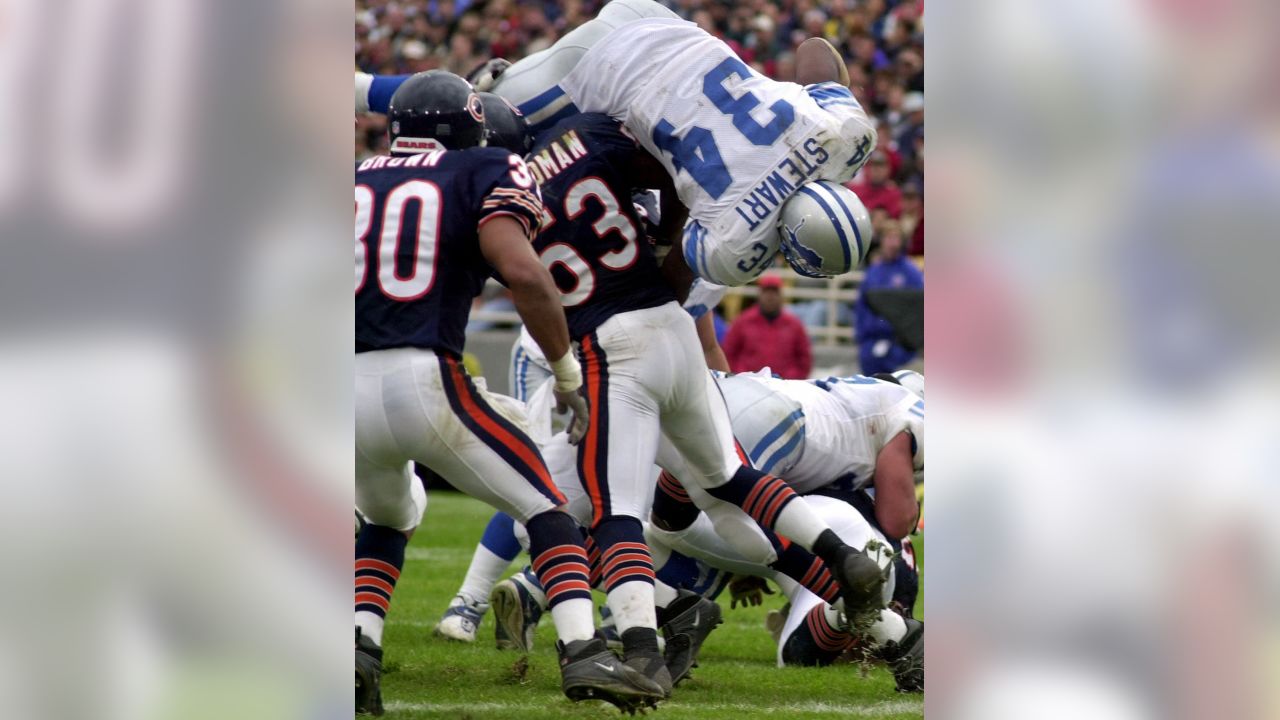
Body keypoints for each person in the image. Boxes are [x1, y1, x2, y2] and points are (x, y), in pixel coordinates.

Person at [353, 70, 665, 715]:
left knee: (387, 518)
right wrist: (567, 372)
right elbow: (524, 273)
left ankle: (359, 648)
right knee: (548, 507)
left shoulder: (353, 177)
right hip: (423, 374)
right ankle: (584, 651)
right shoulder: (480, 169)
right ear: (468, 125)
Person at [356, 0, 877, 285]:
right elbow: (673, 269)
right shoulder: (737, 239)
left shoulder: (848, 138)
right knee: (463, 113)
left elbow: (814, 53)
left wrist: (817, 112)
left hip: (657, 19)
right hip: (601, 71)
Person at [854, 220, 923, 375]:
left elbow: (918, 308)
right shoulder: (873, 271)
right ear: (881, 241)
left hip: (900, 344)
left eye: (896, 238)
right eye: (888, 238)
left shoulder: (910, 272)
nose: (892, 243)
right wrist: (861, 337)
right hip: (871, 341)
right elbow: (862, 307)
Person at [722, 274, 813, 379]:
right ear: (760, 294)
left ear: (780, 295)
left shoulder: (794, 324)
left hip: (784, 386)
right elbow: (729, 353)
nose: (770, 296)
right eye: (766, 291)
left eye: (774, 292)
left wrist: (792, 379)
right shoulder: (742, 321)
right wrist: (740, 376)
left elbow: (804, 359)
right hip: (749, 384)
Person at [845, 149, 902, 218]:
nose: (877, 170)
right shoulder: (854, 191)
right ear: (866, 169)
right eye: (873, 166)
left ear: (888, 169)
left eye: (881, 166)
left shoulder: (894, 194)